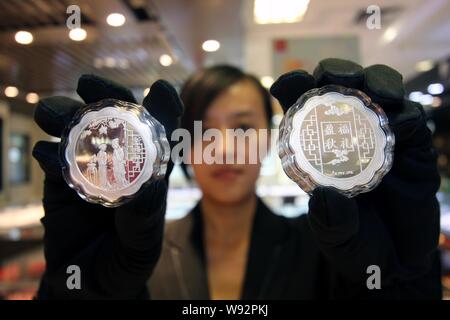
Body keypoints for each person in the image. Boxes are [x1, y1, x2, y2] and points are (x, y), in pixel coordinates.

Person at [33, 59, 442, 299]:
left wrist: (406, 278)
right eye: (203, 129)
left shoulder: (331, 252)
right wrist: (68, 292)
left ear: (273, 140)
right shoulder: (124, 252)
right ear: (179, 143)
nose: (224, 147)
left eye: (243, 128)